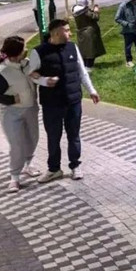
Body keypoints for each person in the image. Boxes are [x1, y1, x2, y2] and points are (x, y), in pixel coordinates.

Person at [28, 19, 100, 183]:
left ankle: (75, 165)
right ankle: (54, 169)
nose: (70, 33)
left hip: (73, 101)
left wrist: (92, 91)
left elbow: (82, 72)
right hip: (51, 104)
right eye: (66, 30)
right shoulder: (39, 52)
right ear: (56, 33)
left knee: (74, 135)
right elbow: (32, 74)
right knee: (53, 136)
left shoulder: (72, 47)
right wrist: (45, 81)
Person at [0, 36, 41, 192]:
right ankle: (14, 177)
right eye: (23, 48)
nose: (26, 49)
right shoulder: (2, 71)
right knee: (17, 145)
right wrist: (11, 99)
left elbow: (36, 78)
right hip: (11, 113)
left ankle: (28, 165)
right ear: (16, 52)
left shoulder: (27, 64)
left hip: (31, 109)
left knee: (32, 139)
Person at [72, 0, 106, 70]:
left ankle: (85, 65)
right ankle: (89, 66)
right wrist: (96, 11)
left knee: (84, 50)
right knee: (91, 50)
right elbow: (95, 17)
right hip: (89, 32)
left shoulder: (75, 9)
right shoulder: (85, 11)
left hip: (81, 32)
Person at [115, 0, 136, 67]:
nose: (135, 1)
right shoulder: (123, 6)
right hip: (128, 30)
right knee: (128, 46)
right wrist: (127, 24)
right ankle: (129, 61)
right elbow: (117, 18)